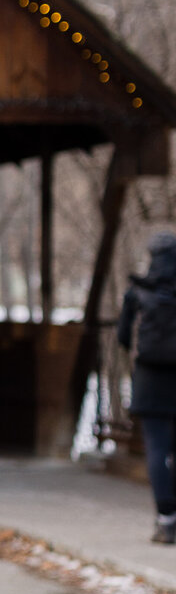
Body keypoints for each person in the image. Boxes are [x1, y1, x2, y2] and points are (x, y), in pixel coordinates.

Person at [117, 231, 176, 546]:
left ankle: (166, 519)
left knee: (157, 448)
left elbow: (123, 336)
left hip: (150, 381)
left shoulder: (138, 292)